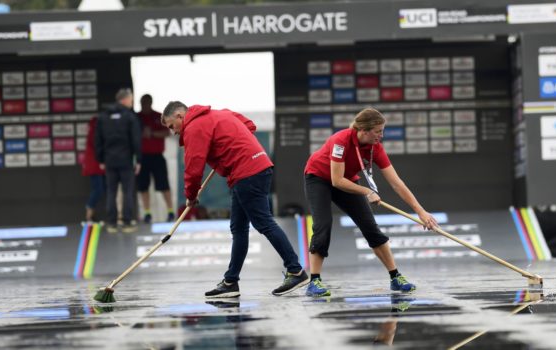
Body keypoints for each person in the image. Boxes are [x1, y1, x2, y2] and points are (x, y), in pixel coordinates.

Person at [161, 101, 308, 297]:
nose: (173, 132)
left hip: (247, 173)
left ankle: (296, 270)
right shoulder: (220, 113)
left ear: (180, 116)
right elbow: (250, 126)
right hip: (258, 167)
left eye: (172, 126)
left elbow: (193, 167)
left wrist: (191, 196)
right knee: (238, 228)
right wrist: (225, 148)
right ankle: (231, 281)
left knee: (263, 223)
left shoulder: (194, 127)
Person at [303, 107, 438, 297]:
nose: (381, 135)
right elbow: (336, 181)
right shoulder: (340, 141)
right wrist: (367, 191)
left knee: (370, 227)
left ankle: (395, 277)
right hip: (319, 178)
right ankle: (314, 281)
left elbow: (397, 183)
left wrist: (421, 211)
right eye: (378, 131)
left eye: (382, 131)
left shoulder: (376, 148)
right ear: (363, 130)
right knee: (323, 225)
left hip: (347, 180)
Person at [95, 88, 142, 233]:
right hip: (126, 161)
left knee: (111, 192)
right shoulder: (129, 116)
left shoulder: (103, 117)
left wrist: (101, 159)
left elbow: (98, 140)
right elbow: (136, 140)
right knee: (127, 192)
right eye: (131, 99)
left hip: (109, 160)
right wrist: (138, 160)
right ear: (124, 99)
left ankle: (112, 224)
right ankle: (127, 223)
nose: (132, 102)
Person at [136, 94, 175, 223]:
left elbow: (168, 132)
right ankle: (147, 213)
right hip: (142, 157)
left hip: (157, 156)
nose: (144, 105)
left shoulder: (158, 116)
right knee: (143, 186)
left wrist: (152, 133)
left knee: (164, 185)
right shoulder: (137, 117)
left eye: (146, 102)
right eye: (142, 103)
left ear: (150, 103)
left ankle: (170, 212)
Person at [81, 115, 105, 222]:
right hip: (94, 165)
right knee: (98, 190)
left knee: (99, 189)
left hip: (95, 165)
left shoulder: (94, 130)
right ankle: (88, 216)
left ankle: (91, 216)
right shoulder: (95, 132)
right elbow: (98, 147)